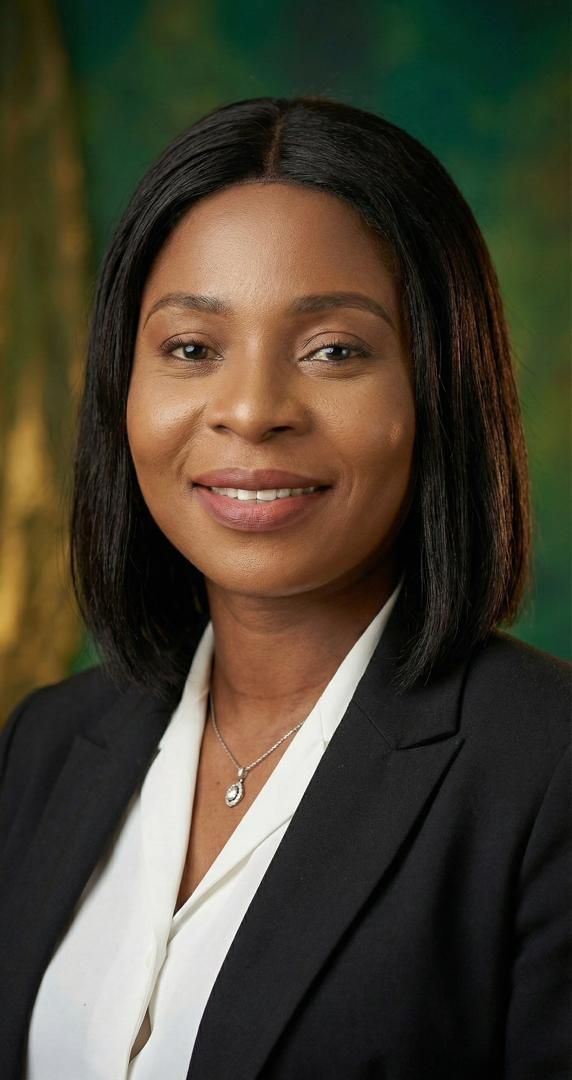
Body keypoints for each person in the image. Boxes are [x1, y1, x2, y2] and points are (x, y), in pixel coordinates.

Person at [0, 95, 569, 1080]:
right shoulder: (43, 747)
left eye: (333, 351)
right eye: (190, 348)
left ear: (440, 383)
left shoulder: (545, 772)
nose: (253, 410)